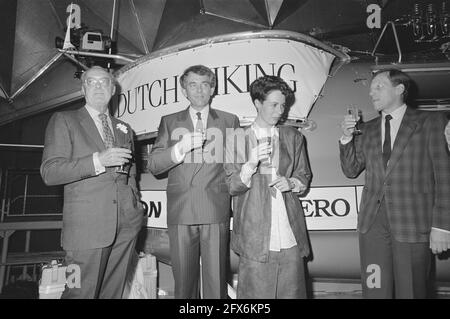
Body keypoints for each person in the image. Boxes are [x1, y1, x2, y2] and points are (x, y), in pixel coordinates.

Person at [339, 68, 450, 298]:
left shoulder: (432, 122)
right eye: (371, 88)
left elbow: (444, 177)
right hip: (372, 227)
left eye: (379, 86)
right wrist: (346, 138)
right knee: (375, 290)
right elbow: (351, 170)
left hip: (413, 224)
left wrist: (442, 227)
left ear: (400, 89)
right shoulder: (367, 129)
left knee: (411, 291)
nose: (371, 92)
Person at [40, 66, 144, 298]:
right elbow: (50, 172)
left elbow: (131, 173)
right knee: (77, 293)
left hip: (125, 228)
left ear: (113, 89)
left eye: (104, 82)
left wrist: (136, 206)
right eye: (91, 82)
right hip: (86, 232)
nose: (98, 86)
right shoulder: (64, 120)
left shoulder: (124, 128)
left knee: (113, 294)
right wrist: (98, 160)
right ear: (82, 89)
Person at [147, 65, 240, 299]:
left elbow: (236, 166)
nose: (199, 90)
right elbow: (154, 165)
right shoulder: (169, 121)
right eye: (192, 84)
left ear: (212, 89)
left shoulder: (230, 121)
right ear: (184, 90)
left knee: (216, 284)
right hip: (182, 209)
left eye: (205, 84)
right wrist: (180, 148)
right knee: (184, 286)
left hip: (215, 208)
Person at [224, 75, 312, 299]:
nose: (280, 110)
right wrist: (250, 164)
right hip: (255, 234)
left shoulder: (293, 137)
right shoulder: (236, 139)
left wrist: (292, 183)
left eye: (283, 105)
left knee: (293, 294)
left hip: (289, 230)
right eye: (274, 104)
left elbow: (304, 174)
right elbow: (231, 187)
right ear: (257, 103)